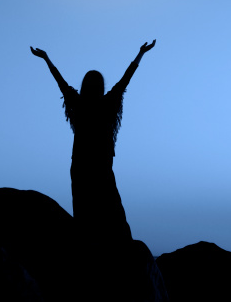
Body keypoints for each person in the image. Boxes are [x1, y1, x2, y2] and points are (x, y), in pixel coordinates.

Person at [30, 41, 156, 248]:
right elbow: (126, 79)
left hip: (80, 166)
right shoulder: (108, 104)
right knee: (112, 211)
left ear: (84, 86)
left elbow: (59, 80)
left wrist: (46, 58)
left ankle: (87, 249)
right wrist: (141, 53)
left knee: (83, 211)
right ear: (101, 87)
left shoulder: (77, 104)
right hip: (101, 167)